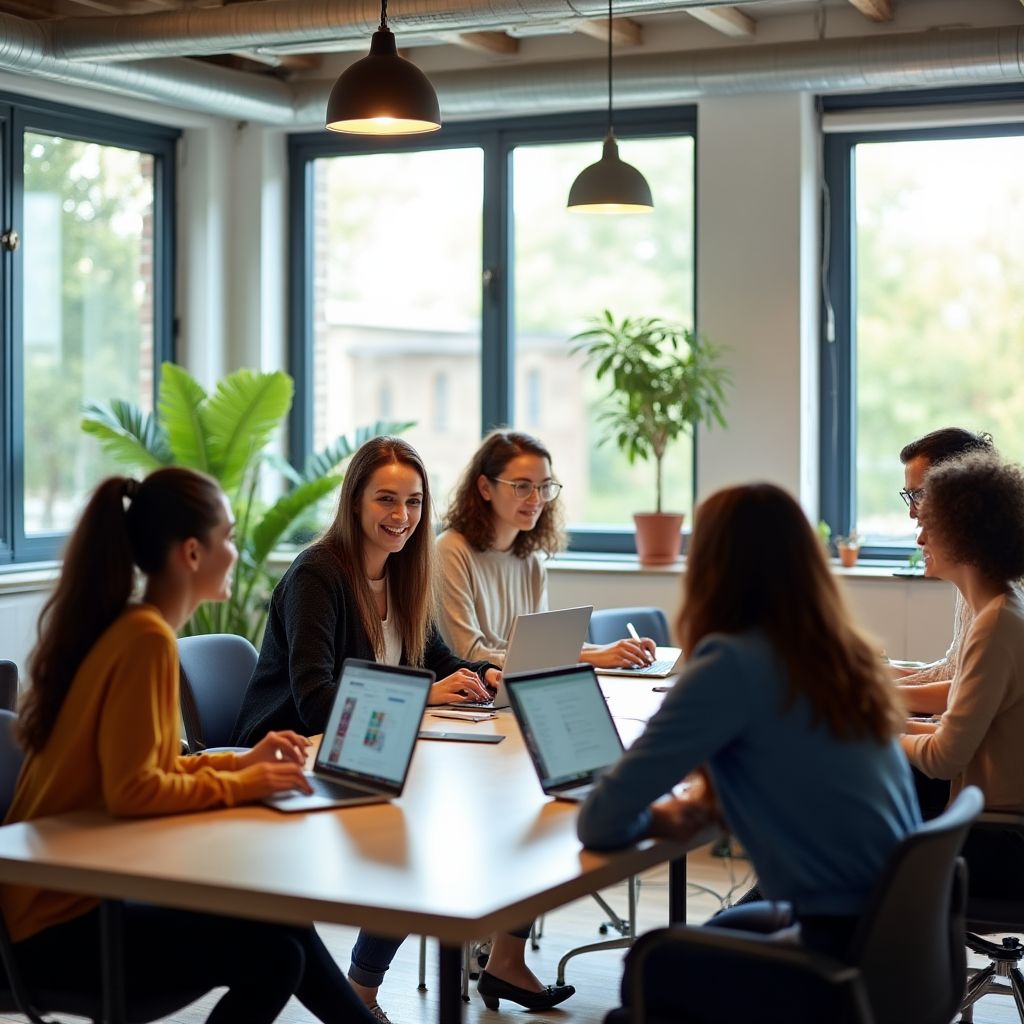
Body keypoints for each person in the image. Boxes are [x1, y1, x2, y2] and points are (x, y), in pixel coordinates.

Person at [0, 468, 375, 1024]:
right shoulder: (145, 639)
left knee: (276, 922)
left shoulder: (131, 627)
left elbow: (144, 768)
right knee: (273, 955)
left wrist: (243, 761)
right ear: (193, 553)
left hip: (64, 904)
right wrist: (247, 781)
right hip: (58, 927)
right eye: (227, 536)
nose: (235, 548)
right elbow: (134, 792)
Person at [231, 436, 572, 1020]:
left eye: (413, 502)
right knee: (429, 833)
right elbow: (317, 702)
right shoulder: (318, 574)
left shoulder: (405, 572)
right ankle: (361, 994)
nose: (401, 517)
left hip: (378, 749)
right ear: (355, 502)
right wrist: (426, 697)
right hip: (301, 756)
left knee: (516, 799)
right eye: (386, 500)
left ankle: (483, 968)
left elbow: (440, 661)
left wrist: (486, 673)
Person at [576, 482, 920, 1019]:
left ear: (712, 568)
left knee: (649, 966)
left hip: (835, 948)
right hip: (901, 940)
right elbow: (801, 773)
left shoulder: (730, 664)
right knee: (710, 936)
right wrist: (707, 806)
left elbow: (600, 820)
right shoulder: (840, 657)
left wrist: (656, 820)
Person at [900, 451, 1024, 896]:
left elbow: (944, 757)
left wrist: (877, 732)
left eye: (928, 524)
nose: (919, 538)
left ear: (965, 533)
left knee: (844, 851)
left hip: (997, 842)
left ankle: (743, 939)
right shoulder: (1002, 609)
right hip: (988, 827)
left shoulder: (995, 625)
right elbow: (959, 729)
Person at [438, 429, 657, 669]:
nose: (536, 499)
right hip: (467, 698)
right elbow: (468, 652)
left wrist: (615, 650)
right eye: (522, 486)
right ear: (485, 488)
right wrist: (590, 656)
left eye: (544, 486)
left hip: (508, 691)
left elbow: (539, 647)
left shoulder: (530, 560)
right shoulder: (450, 550)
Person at [895, 427, 996, 715]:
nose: (912, 511)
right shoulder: (973, 567)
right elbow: (953, 670)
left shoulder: (998, 584)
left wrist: (876, 691)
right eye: (908, 495)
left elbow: (966, 692)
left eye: (919, 494)